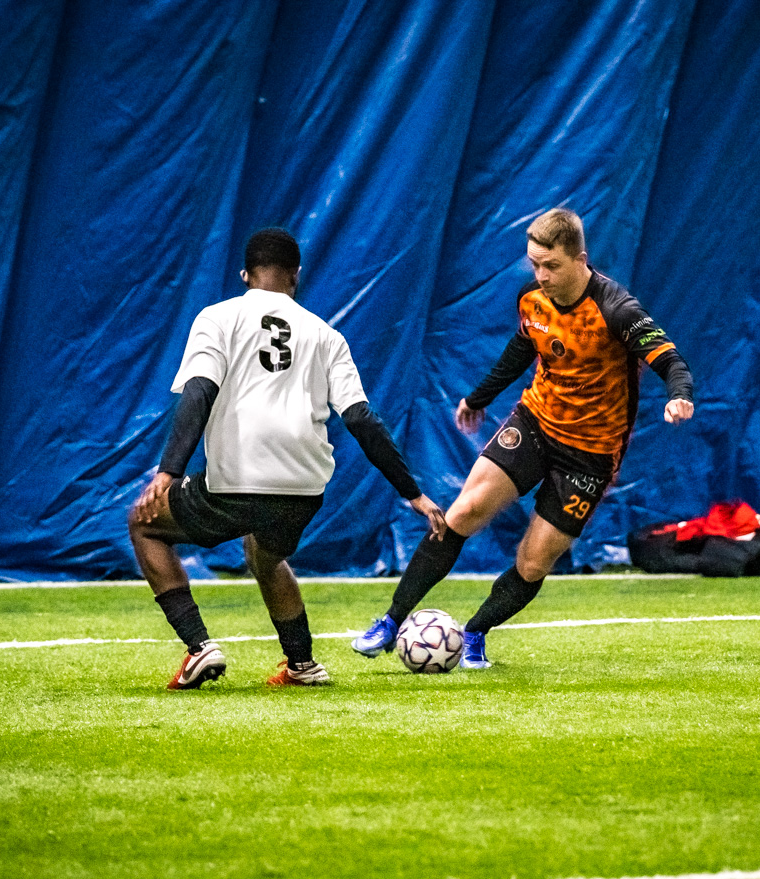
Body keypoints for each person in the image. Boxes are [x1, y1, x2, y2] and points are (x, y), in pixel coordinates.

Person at [352, 208, 693, 668]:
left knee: (534, 562)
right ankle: (392, 621)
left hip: (591, 453)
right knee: (465, 510)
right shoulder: (532, 299)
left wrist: (679, 396)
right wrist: (479, 397)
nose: (541, 275)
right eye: (535, 264)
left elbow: (669, 359)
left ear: (580, 259)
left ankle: (474, 634)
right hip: (535, 422)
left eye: (551, 265)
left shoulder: (616, 309)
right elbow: (522, 346)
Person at [130, 228, 446, 689]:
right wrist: (413, 493)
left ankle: (200, 647)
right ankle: (302, 664)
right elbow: (363, 421)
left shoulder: (217, 318)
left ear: (245, 274)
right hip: (302, 491)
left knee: (143, 525)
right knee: (265, 551)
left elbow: (200, 391)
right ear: (297, 276)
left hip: (236, 482)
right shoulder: (326, 335)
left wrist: (167, 472)